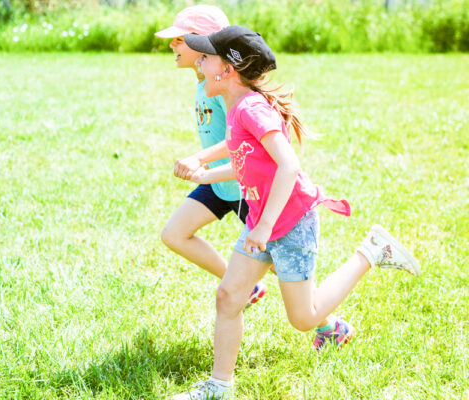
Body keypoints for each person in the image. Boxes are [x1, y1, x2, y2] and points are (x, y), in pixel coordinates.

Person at [170, 26, 421, 400]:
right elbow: (248, 163)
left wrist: (266, 225)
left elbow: (288, 166)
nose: (199, 65)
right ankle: (219, 387)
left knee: (304, 319)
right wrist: (205, 174)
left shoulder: (252, 109)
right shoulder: (237, 108)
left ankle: (372, 251)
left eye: (205, 59)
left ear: (228, 70)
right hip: (263, 222)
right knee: (228, 297)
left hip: (290, 224)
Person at [155, 6, 268, 307]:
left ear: (203, 44)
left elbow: (244, 141)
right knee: (174, 234)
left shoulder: (224, 88)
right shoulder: (204, 82)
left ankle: (327, 323)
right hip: (219, 184)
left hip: (246, 188)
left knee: (285, 266)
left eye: (179, 39)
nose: (172, 45)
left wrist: (200, 159)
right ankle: (247, 286)